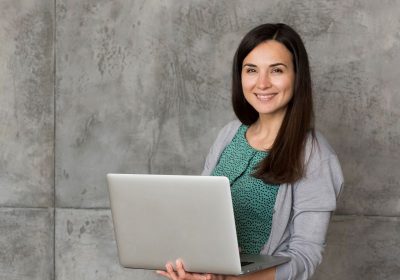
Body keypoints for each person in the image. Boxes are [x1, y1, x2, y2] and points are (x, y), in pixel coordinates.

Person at [157, 23, 344, 280]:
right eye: (251, 70)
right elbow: (197, 215)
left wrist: (229, 279)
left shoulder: (315, 154)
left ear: (297, 76)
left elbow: (305, 257)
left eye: (277, 70)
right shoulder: (229, 135)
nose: (262, 83)